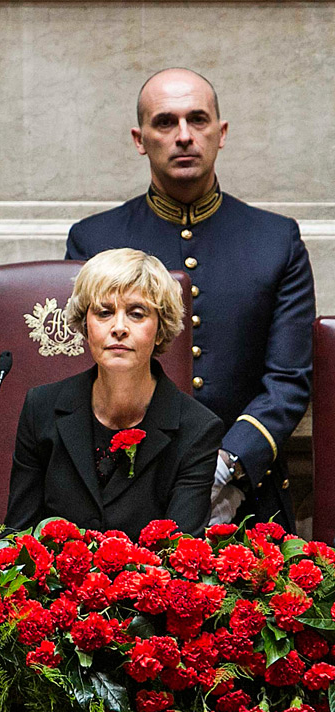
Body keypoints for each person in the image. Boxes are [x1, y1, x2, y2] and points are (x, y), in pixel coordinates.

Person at [66, 68, 314, 531]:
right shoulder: (93, 240)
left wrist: (229, 465)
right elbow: (86, 374)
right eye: (165, 122)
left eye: (197, 119)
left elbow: (289, 379)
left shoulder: (276, 241)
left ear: (221, 133)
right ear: (140, 139)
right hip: (121, 494)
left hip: (246, 498)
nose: (184, 135)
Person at [7, 249, 224, 538]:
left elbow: (180, 553)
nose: (119, 328)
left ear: (160, 329)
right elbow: (18, 537)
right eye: (104, 313)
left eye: (137, 314)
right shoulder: (41, 408)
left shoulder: (198, 429)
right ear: (85, 325)